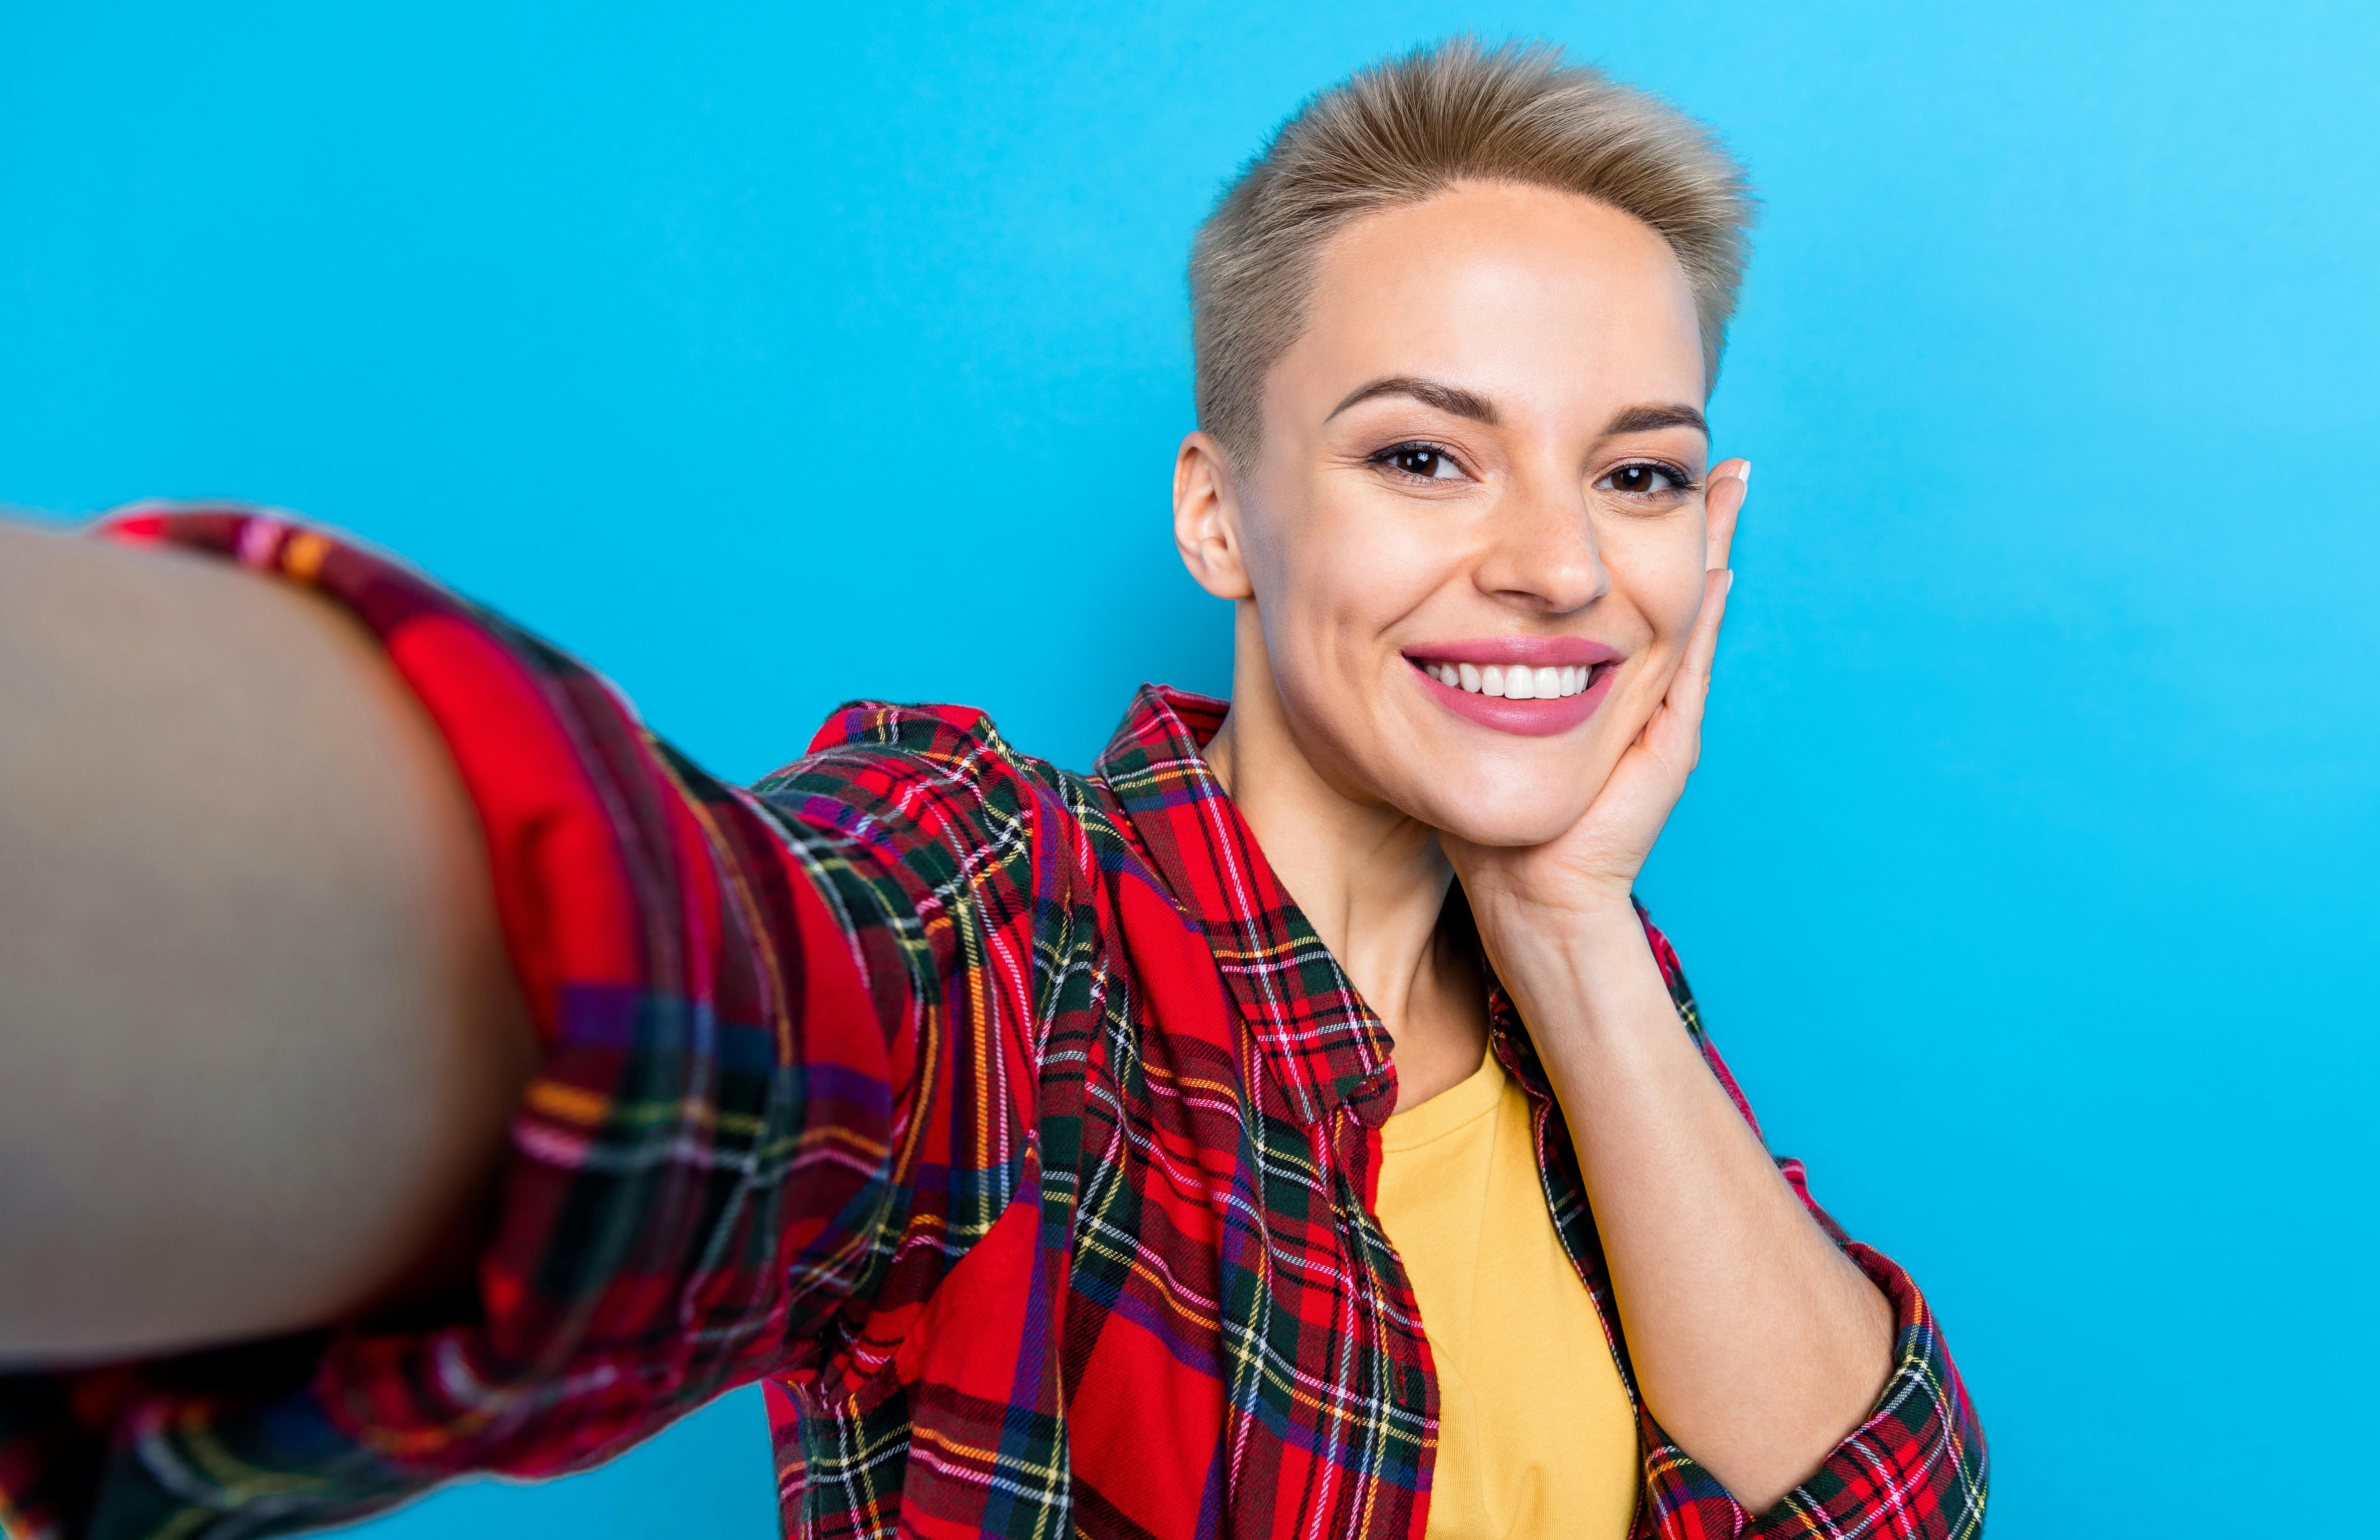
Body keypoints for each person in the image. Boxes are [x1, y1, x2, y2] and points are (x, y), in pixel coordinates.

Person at [0, 37, 1985, 1540]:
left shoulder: (1593, 1016)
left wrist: (1569, 930)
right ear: (1220, 513)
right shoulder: (1006, 936)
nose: (1562, 563)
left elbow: (1884, 1500)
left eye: (1636, 473)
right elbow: (704, 994)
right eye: (1424, 456)